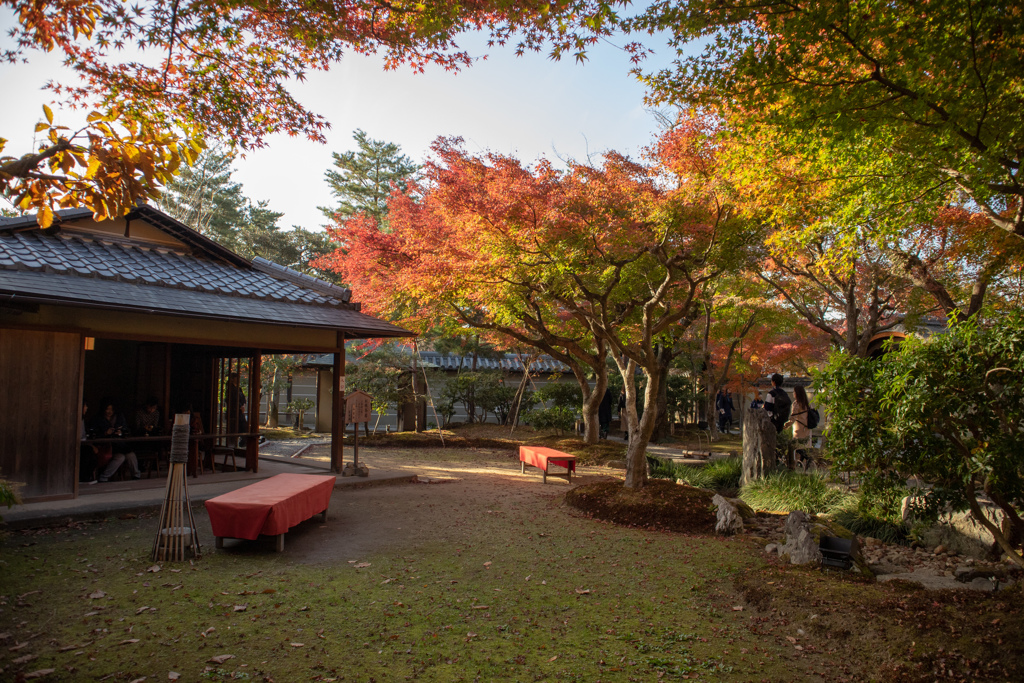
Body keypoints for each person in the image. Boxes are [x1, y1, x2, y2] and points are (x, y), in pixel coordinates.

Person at [91, 399, 141, 481]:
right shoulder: (98, 418)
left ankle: (136, 476)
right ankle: (104, 477)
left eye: (111, 409)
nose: (109, 411)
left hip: (120, 444)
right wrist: (106, 433)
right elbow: (94, 433)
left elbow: (126, 429)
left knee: (131, 455)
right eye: (107, 409)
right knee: (120, 457)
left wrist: (120, 432)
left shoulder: (119, 417)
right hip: (106, 446)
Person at [787, 386, 813, 467]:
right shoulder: (808, 404)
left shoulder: (796, 404)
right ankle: (802, 464)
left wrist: (786, 425)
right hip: (807, 428)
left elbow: (793, 418)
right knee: (805, 446)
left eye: (794, 392)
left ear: (796, 393)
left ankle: (805, 459)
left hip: (798, 429)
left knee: (797, 447)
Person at [79, 401, 98, 484]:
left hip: (84, 443)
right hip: (78, 445)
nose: (86, 408)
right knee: (87, 452)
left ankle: (87, 476)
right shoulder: (77, 419)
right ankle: (83, 477)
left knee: (91, 454)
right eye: (85, 406)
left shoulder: (82, 419)